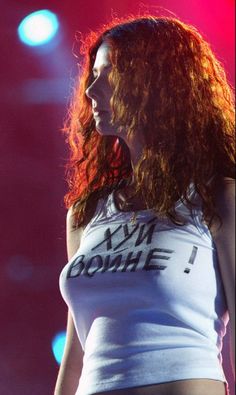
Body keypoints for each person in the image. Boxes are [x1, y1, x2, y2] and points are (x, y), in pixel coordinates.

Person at [54, 15, 235, 395]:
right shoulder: (86, 215)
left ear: (156, 84)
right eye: (94, 74)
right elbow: (78, 351)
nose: (91, 89)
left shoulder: (217, 198)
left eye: (109, 73)